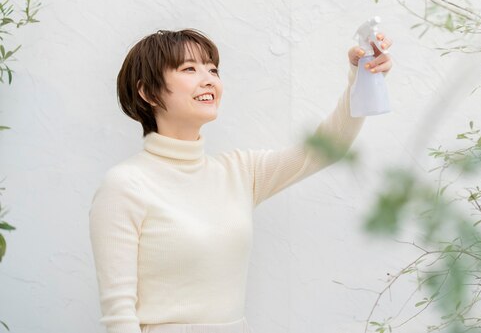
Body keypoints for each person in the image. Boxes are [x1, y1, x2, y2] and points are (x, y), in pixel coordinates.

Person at [88, 28, 393, 333]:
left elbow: (327, 147)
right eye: (189, 69)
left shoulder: (239, 172)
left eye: (212, 69)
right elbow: (119, 315)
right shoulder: (125, 185)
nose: (209, 79)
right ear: (148, 92)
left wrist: (361, 75)